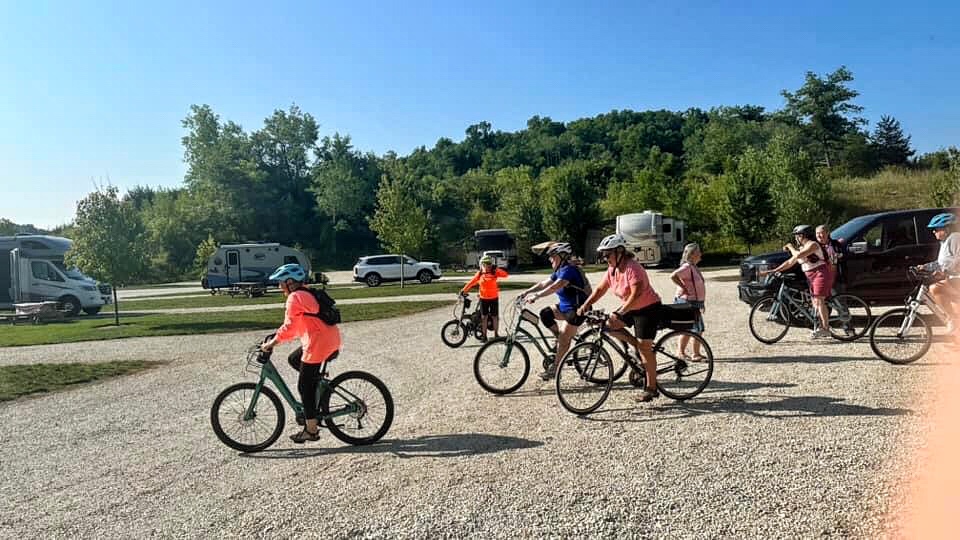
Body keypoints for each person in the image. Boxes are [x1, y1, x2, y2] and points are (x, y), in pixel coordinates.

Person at [260, 263, 341, 443]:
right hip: (328, 339)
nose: (279, 286)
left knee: (304, 387)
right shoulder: (306, 292)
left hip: (318, 343)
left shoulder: (295, 297)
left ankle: (311, 430)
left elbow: (289, 327)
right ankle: (317, 386)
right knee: (294, 359)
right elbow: (296, 327)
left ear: (290, 282)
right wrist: (276, 337)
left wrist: (272, 343)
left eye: (281, 282)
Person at [577, 234, 663, 402]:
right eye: (603, 254)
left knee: (645, 348)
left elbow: (636, 294)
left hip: (648, 308)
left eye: (607, 254)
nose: (605, 258)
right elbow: (600, 290)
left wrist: (620, 312)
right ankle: (636, 346)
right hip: (631, 307)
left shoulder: (633, 268)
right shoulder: (613, 269)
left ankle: (651, 388)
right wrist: (585, 305)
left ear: (620, 252)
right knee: (608, 324)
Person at [521, 242, 589, 380]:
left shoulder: (569, 270)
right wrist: (527, 292)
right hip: (565, 308)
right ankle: (560, 339)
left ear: (562, 256)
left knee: (564, 339)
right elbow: (543, 284)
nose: (550, 259)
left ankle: (556, 369)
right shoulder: (560, 270)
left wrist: (536, 296)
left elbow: (555, 286)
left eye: (552, 255)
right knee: (545, 314)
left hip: (577, 309)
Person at [759, 225, 834, 338]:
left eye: (797, 236)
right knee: (814, 303)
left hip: (820, 273)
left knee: (819, 301)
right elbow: (789, 262)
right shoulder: (802, 248)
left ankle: (826, 328)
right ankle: (820, 327)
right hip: (810, 276)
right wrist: (773, 271)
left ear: (803, 235)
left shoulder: (813, 245)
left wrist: (790, 246)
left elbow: (798, 255)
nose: (796, 238)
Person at [915, 213, 960, 334]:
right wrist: (925, 266)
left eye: (936, 229)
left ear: (946, 229)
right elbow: (941, 263)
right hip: (953, 278)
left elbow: (958, 258)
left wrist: (944, 271)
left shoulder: (955, 238)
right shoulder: (944, 242)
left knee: (935, 288)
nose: (933, 232)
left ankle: (952, 319)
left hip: (957, 278)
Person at [670, 243, 706, 360]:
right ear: (692, 254)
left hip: (693, 302)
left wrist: (701, 303)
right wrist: (683, 287)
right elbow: (673, 276)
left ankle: (688, 353)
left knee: (693, 328)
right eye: (698, 252)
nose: (700, 254)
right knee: (694, 328)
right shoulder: (687, 267)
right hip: (686, 302)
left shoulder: (693, 267)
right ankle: (691, 353)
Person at [460, 255, 509, 341]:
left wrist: (496, 269)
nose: (488, 265)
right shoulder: (479, 274)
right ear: (482, 264)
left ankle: (496, 335)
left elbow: (505, 275)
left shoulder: (494, 272)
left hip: (494, 298)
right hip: (483, 299)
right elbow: (471, 283)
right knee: (484, 317)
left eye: (489, 263)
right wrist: (464, 290)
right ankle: (484, 336)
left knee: (495, 317)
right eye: (486, 263)